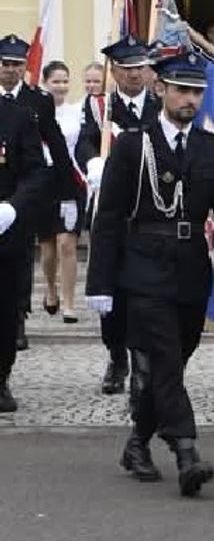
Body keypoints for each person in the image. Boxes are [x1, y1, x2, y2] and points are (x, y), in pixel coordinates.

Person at [84, 48, 214, 497]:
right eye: (182, 90)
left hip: (190, 268)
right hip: (143, 266)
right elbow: (108, 216)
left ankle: (138, 442)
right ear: (161, 89)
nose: (190, 100)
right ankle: (186, 452)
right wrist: (100, 282)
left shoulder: (211, 148)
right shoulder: (133, 145)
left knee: (173, 362)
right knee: (162, 360)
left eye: (197, 93)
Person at [77, 36, 161, 395]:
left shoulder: (160, 106)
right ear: (114, 71)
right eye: (126, 69)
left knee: (148, 289)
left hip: (152, 208)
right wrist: (92, 160)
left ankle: (146, 357)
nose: (133, 75)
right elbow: (84, 141)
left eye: (139, 68)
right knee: (109, 290)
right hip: (112, 212)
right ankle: (116, 357)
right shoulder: (100, 108)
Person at [0, 35, 80, 352]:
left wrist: (69, 192)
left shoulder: (38, 101)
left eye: (16, 65)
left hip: (24, 192)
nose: (10, 70)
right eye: (5, 64)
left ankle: (18, 316)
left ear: (24, 68)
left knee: (20, 257)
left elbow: (57, 146)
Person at [0, 79, 50, 411]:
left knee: (4, 312)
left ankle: (0, 378)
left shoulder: (16, 117)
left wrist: (13, 206)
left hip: (4, 232)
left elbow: (36, 173)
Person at [40, 61, 85, 323]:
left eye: (65, 80)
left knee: (67, 244)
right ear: (46, 83)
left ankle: (69, 304)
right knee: (47, 250)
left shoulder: (77, 111)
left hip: (70, 180)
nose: (61, 86)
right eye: (56, 81)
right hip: (43, 182)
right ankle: (51, 289)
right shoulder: (34, 111)